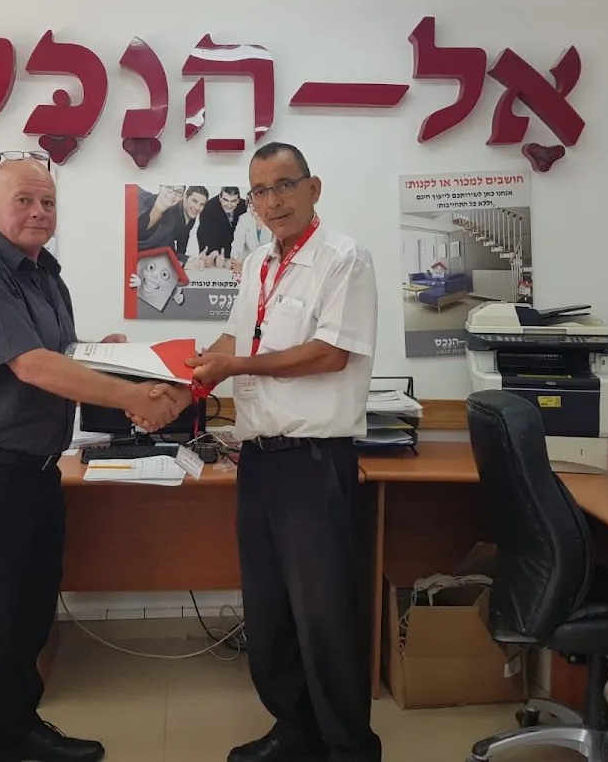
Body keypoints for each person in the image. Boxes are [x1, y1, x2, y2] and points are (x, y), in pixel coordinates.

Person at [0, 152, 181, 762]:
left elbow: (57, 355)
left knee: (31, 618)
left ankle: (21, 729)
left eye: (48, 202)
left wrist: (99, 353)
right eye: (24, 200)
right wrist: (134, 397)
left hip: (37, 472)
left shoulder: (44, 274)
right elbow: (32, 366)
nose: (39, 212)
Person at [132, 142, 381, 762]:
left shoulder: (343, 258)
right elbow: (233, 342)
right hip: (260, 460)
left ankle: (348, 746)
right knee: (269, 611)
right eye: (260, 191)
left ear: (313, 188)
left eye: (284, 185)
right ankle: (294, 730)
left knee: (323, 616)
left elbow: (330, 353)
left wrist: (234, 366)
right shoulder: (258, 263)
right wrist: (182, 387)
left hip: (314, 462)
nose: (272, 201)